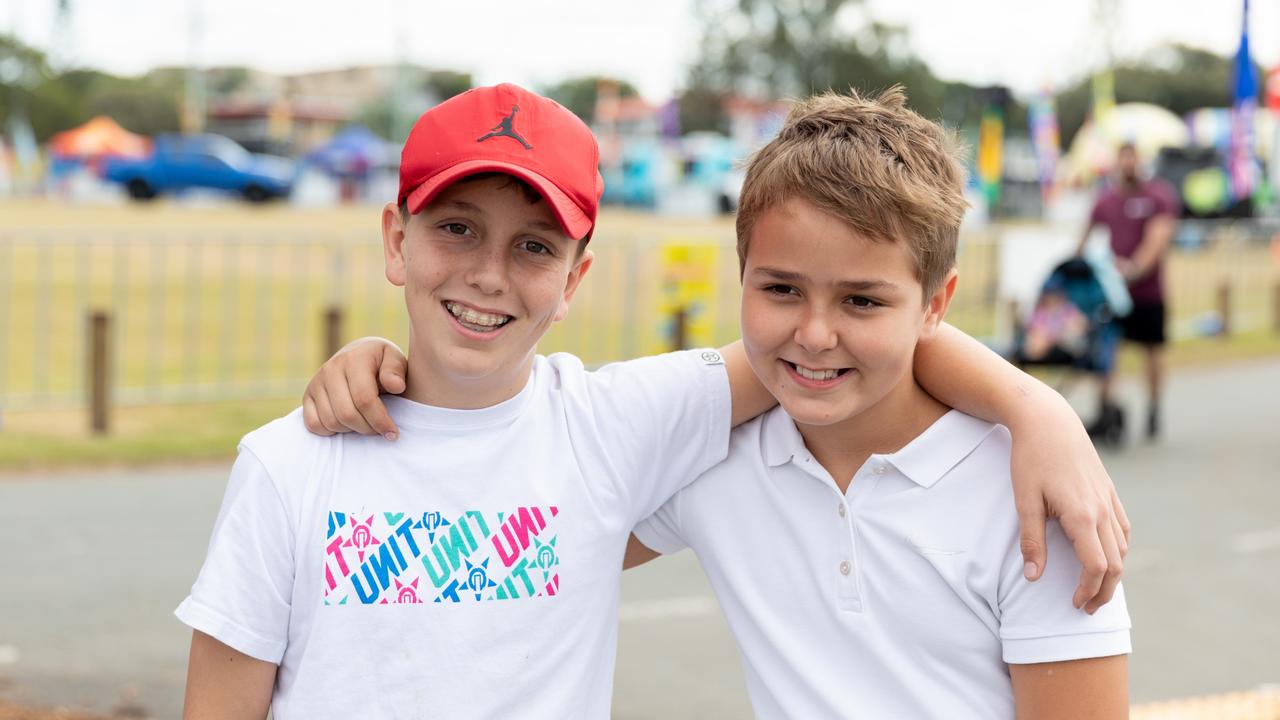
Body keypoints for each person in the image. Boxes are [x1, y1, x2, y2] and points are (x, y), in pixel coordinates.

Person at [182, 84, 1124, 718]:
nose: (487, 274)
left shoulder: (617, 429)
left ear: (577, 274)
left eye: (535, 247)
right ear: (397, 241)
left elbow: (861, 333)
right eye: (456, 230)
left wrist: (1035, 411)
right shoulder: (289, 462)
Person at [624, 88, 1129, 718]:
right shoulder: (714, 458)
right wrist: (1032, 401)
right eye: (781, 289)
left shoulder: (1035, 497)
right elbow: (561, 541)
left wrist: (1035, 409)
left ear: (936, 305)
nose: (814, 334)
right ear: (743, 276)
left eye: (862, 300)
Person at [1076, 142, 1180, 439]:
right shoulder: (1106, 200)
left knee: (1153, 352)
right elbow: (1084, 237)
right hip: (1113, 294)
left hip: (1148, 292)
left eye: (1132, 159)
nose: (1128, 165)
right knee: (1108, 350)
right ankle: (1107, 409)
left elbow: (1157, 240)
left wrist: (1133, 269)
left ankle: (1154, 407)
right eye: (1123, 160)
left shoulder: (1158, 196)